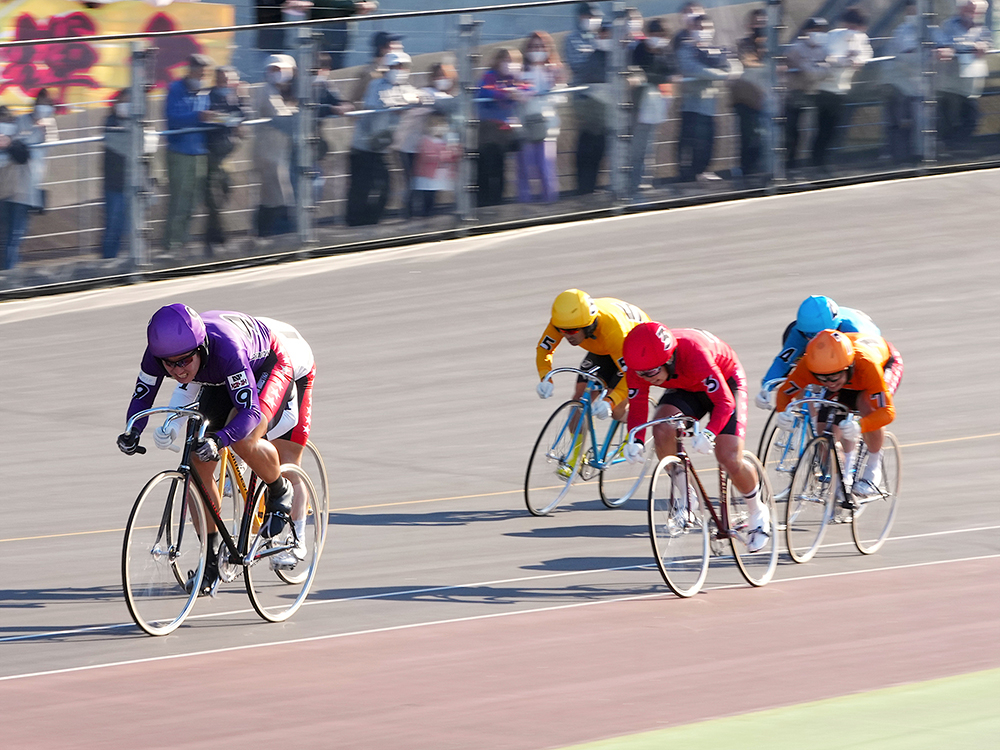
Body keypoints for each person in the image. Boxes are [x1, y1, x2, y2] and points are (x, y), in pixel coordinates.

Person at [117, 304, 299, 594]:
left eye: (184, 361)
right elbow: (142, 395)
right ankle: (211, 560)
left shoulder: (227, 350)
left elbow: (250, 411)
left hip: (267, 365)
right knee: (196, 464)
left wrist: (220, 439)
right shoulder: (160, 354)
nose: (177, 371)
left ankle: (279, 489)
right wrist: (132, 430)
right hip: (216, 376)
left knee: (244, 439)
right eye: (169, 364)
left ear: (200, 347)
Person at [152, 316, 316, 570]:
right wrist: (171, 425)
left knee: (285, 458)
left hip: (291, 366)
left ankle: (297, 539)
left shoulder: (230, 349)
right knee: (222, 430)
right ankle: (213, 554)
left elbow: (261, 414)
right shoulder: (201, 351)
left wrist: (246, 443)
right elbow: (188, 388)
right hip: (248, 363)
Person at [621, 321, 770, 553]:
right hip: (687, 387)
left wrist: (710, 433)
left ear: (668, 359)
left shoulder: (694, 352)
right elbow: (638, 404)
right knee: (662, 428)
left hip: (725, 381)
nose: (646, 378)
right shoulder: (641, 365)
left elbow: (725, 402)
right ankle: (686, 493)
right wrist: (635, 439)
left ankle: (757, 510)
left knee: (728, 456)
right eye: (641, 374)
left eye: (650, 373)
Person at [775, 330, 903, 497]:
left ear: (847, 368)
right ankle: (842, 477)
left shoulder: (867, 365)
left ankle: (873, 466)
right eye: (822, 379)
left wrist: (860, 425)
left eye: (833, 378)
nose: (829, 383)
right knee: (823, 430)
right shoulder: (810, 366)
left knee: (866, 405)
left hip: (881, 365)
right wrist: (783, 412)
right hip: (848, 378)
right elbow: (784, 393)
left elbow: (887, 412)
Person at [535, 289, 650, 422]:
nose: (566, 335)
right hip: (604, 347)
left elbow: (632, 375)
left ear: (589, 326)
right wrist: (545, 377)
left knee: (617, 411)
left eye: (572, 331)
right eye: (561, 330)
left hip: (631, 347)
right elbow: (544, 349)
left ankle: (637, 435)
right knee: (579, 403)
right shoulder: (563, 320)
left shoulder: (613, 332)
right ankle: (576, 443)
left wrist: (610, 401)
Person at [347, 50, 427, 226]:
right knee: (361, 189)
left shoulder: (405, 87)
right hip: (363, 147)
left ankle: (371, 223)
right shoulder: (376, 84)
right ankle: (354, 226)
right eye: (395, 66)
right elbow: (383, 102)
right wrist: (406, 101)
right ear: (387, 68)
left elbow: (423, 97)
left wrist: (413, 99)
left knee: (385, 188)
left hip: (383, 148)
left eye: (403, 66)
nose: (399, 70)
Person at [756, 295, 880, 406]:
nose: (813, 339)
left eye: (817, 335)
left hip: (867, 341)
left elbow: (856, 372)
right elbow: (783, 361)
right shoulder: (799, 332)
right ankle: (806, 414)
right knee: (799, 372)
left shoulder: (851, 331)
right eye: (809, 335)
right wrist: (766, 386)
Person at [676, 14, 741, 183]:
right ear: (692, 29)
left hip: (710, 107)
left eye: (707, 28)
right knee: (689, 145)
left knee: (708, 145)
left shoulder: (716, 50)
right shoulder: (686, 49)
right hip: (691, 107)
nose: (703, 32)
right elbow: (692, 68)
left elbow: (734, 65)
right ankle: (686, 179)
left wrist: (729, 72)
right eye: (699, 28)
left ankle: (702, 173)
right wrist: (722, 75)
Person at [0, 89, 57, 270]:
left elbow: (51, 145)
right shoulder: (21, 120)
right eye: (41, 103)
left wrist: (45, 127)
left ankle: (7, 275)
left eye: (48, 104)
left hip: (28, 188)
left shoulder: (49, 126)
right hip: (9, 184)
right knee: (6, 236)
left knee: (15, 236)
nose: (43, 107)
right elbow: (12, 146)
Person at [812, 8, 871, 172]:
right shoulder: (834, 35)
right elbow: (828, 57)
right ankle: (817, 164)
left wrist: (858, 60)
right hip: (825, 88)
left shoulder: (861, 37)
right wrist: (846, 60)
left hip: (841, 89)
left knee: (832, 128)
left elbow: (866, 54)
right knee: (823, 128)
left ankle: (822, 163)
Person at [163, 54, 212, 253]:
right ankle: (171, 245)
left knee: (193, 200)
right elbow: (173, 118)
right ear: (190, 70)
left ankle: (182, 241)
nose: (201, 76)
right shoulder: (175, 89)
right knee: (179, 200)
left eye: (204, 74)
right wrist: (198, 116)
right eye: (199, 72)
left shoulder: (204, 92)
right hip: (180, 152)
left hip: (199, 152)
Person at [934, 0, 993, 155]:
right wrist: (972, 46)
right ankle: (947, 149)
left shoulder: (982, 29)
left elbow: (988, 42)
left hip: (970, 84)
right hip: (950, 84)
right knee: (950, 118)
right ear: (961, 9)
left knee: (971, 119)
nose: (974, 14)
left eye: (977, 11)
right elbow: (946, 45)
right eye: (971, 10)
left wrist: (984, 46)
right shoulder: (949, 25)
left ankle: (955, 149)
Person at [476, 47, 530, 208]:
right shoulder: (489, 76)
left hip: (504, 133)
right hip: (487, 132)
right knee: (485, 169)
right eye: (506, 61)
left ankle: (497, 203)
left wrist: (518, 90)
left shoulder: (515, 79)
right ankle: (483, 203)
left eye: (513, 62)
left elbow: (528, 88)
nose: (509, 65)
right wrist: (506, 93)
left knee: (499, 170)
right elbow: (484, 91)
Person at [565, 2, 609, 195]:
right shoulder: (572, 39)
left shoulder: (604, 37)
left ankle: (593, 186)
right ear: (580, 17)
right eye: (589, 16)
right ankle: (583, 187)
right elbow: (578, 66)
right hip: (585, 99)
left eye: (596, 16)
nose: (593, 20)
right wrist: (598, 52)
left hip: (605, 99)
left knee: (601, 143)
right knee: (587, 142)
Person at [517, 31, 566, 204]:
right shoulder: (520, 70)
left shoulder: (554, 69)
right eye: (533, 47)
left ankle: (550, 203)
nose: (536, 50)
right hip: (524, 124)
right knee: (524, 168)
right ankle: (524, 205)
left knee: (546, 167)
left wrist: (553, 85)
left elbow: (561, 98)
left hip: (547, 125)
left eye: (540, 46)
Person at [253, 54, 299, 237]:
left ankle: (263, 234)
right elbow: (282, 119)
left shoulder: (281, 92)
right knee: (279, 196)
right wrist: (299, 110)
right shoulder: (267, 91)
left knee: (269, 197)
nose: (277, 73)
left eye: (281, 69)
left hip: (278, 153)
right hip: (269, 154)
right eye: (273, 69)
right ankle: (279, 235)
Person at [205, 66, 249, 252]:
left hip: (226, 153)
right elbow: (210, 118)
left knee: (225, 189)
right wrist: (231, 120)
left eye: (228, 80)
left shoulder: (233, 96)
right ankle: (216, 238)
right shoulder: (209, 96)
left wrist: (243, 96)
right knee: (213, 195)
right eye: (222, 80)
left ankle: (214, 235)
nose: (225, 83)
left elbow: (245, 113)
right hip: (211, 152)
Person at [629, 17, 675, 195]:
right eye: (654, 34)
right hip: (638, 103)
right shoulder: (639, 50)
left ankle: (643, 181)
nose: (657, 38)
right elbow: (641, 73)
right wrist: (657, 77)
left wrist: (652, 78)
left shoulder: (666, 51)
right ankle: (632, 183)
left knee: (649, 144)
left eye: (661, 34)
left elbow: (672, 73)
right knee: (637, 146)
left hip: (658, 103)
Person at [784, 18, 829, 174]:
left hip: (814, 94)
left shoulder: (823, 49)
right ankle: (789, 165)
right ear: (806, 31)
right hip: (795, 94)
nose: (818, 34)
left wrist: (817, 69)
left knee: (812, 131)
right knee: (793, 132)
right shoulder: (796, 48)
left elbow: (826, 71)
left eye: (821, 31)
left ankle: (812, 163)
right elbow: (810, 72)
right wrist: (819, 68)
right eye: (815, 30)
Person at [732, 8, 769, 182]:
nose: (759, 25)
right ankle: (746, 172)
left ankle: (761, 172)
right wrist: (768, 66)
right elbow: (747, 62)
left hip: (766, 99)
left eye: (762, 22)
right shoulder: (743, 43)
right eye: (756, 22)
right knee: (748, 138)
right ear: (749, 24)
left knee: (765, 138)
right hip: (746, 100)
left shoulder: (771, 43)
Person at [884, 0, 922, 164]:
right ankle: (900, 159)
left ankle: (906, 156)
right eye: (910, 11)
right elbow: (907, 56)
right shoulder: (903, 31)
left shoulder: (927, 30)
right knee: (902, 123)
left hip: (913, 87)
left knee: (908, 123)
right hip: (900, 86)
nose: (912, 14)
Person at [411, 111, 460, 217]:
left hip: (440, 175)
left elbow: (455, 154)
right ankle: (424, 215)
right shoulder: (425, 140)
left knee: (435, 197)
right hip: (428, 176)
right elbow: (426, 156)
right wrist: (443, 156)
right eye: (437, 124)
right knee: (427, 197)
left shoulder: (446, 140)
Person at [101, 90, 131, 260]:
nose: (124, 105)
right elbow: (118, 142)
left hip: (132, 182)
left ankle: (123, 260)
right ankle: (108, 259)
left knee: (127, 226)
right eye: (122, 102)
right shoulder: (110, 121)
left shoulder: (137, 122)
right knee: (112, 225)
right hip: (114, 183)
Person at [349, 30, 405, 108]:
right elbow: (356, 99)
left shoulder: (397, 69)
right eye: (394, 45)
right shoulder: (370, 72)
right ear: (383, 48)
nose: (400, 47)